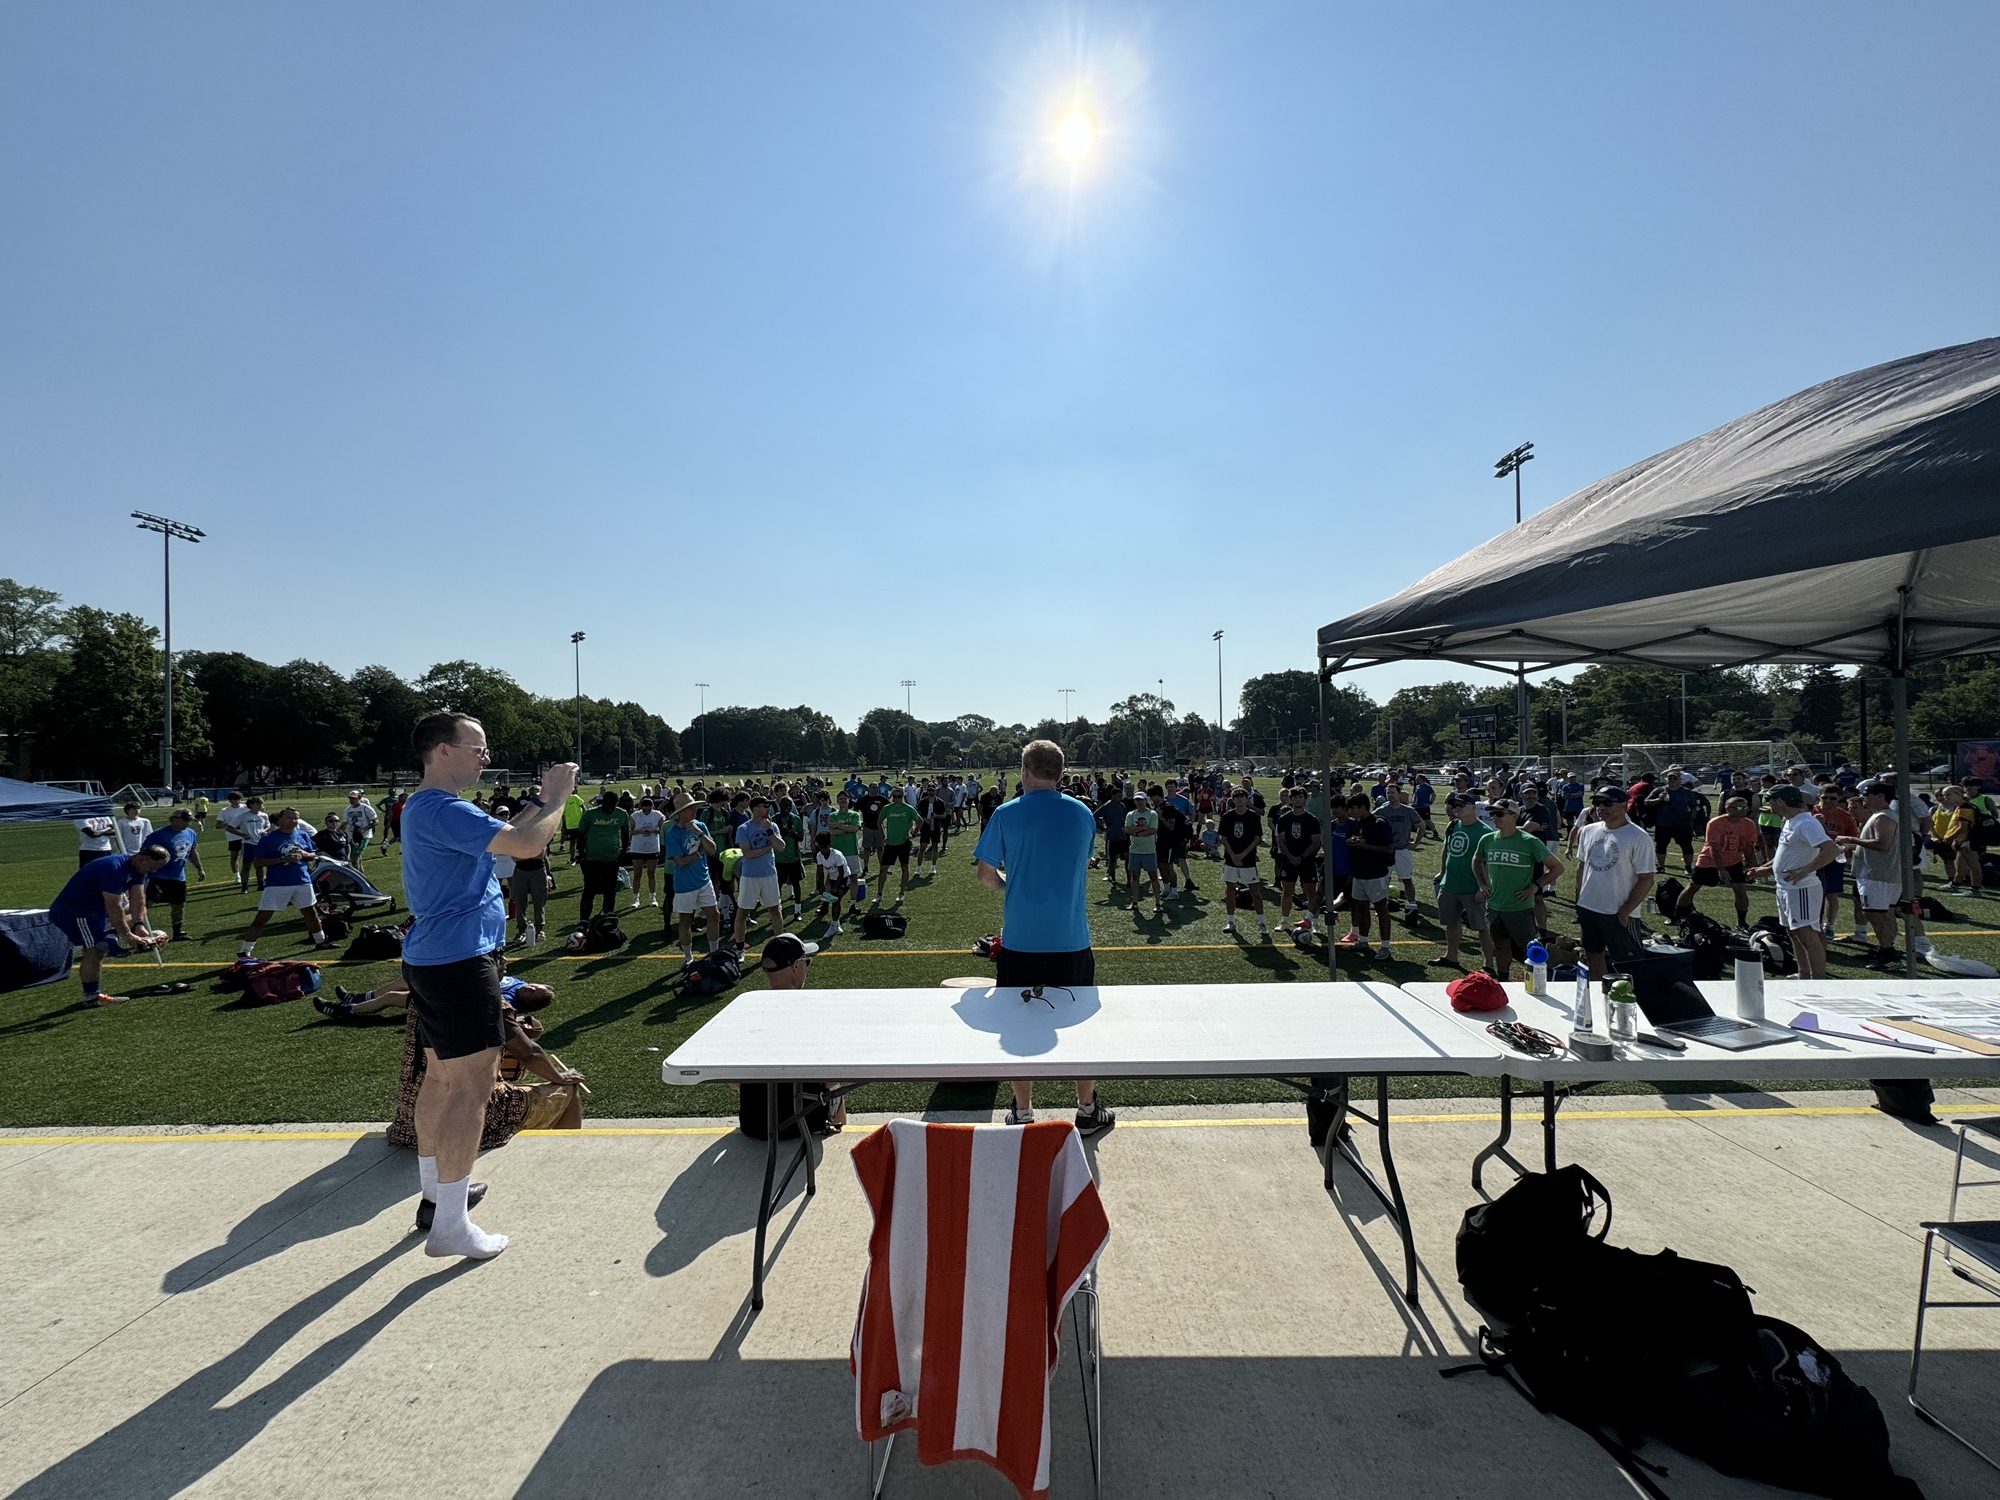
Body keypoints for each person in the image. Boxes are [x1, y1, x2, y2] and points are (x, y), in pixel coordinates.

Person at [400, 709, 579, 1259]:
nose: (485, 758)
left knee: (440, 1079)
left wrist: (532, 807)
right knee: (472, 1088)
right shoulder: (443, 808)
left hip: (435, 959)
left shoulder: (430, 807)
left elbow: (504, 837)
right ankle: (450, 1225)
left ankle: (438, 1196)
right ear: (443, 750)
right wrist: (556, 800)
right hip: (460, 962)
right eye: (477, 748)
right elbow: (526, 845)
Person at [974, 739, 1113, 1135]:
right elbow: (1081, 862)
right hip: (1071, 940)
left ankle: (1022, 1112)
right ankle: (1086, 1110)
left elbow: (986, 875)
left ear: (1024, 770)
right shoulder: (1083, 813)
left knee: (1017, 1026)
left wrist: (1011, 885)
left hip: (1020, 942)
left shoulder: (1005, 813)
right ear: (1061, 773)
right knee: (1079, 1026)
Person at [49, 843, 171, 1005]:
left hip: (95, 910)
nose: (154, 871)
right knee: (95, 950)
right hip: (76, 911)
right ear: (142, 859)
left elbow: (138, 898)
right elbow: (113, 907)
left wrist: (138, 924)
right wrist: (128, 936)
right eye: (154, 867)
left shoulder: (139, 869)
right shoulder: (113, 868)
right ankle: (92, 998)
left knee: (126, 920)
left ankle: (110, 936)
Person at [1748, 784, 1838, 979]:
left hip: (1802, 888)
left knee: (1806, 932)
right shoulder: (1789, 821)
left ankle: (1818, 978)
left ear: (1780, 801)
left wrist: (1804, 871)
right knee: (1793, 932)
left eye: (1769, 799)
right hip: (1785, 887)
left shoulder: (1806, 822)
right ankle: (1804, 973)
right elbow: (1785, 851)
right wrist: (1767, 868)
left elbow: (1831, 850)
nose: (1767, 804)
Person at [1474, 801, 1564, 982]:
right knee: (1500, 946)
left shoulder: (1529, 841)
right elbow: (1477, 860)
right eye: (1493, 814)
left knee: (1529, 949)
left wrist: (1535, 886)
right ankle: (1503, 980)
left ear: (1514, 816)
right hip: (1495, 905)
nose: (1494, 818)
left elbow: (1557, 868)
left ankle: (1538, 981)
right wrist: (1482, 884)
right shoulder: (1488, 839)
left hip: (1520, 907)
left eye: (1500, 814)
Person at [1572, 787, 1655, 978]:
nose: (1601, 807)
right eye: (1597, 803)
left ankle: (1635, 1001)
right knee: (1593, 954)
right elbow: (1582, 867)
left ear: (1624, 805)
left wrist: (1625, 911)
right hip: (1589, 907)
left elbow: (1646, 879)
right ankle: (1600, 992)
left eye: (1607, 803)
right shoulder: (1588, 831)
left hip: (1617, 911)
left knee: (1630, 962)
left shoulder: (1638, 836)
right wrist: (1580, 900)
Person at [238, 807, 335, 957]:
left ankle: (320, 941)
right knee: (263, 916)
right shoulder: (269, 839)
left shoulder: (302, 835)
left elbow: (313, 855)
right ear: (281, 820)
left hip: (302, 881)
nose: (294, 821)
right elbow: (257, 863)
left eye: (296, 818)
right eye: (290, 818)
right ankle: (245, 951)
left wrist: (304, 854)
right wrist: (283, 859)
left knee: (310, 912)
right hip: (278, 883)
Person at [1431, 793, 1493, 970]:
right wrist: (1442, 871)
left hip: (1472, 887)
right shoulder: (1452, 825)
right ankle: (1451, 957)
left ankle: (1488, 965)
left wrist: (1483, 887)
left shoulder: (1484, 832)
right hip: (1450, 884)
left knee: (1482, 928)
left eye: (1461, 805)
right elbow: (1447, 850)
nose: (1456, 808)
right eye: (1454, 805)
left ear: (1473, 808)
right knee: (1451, 923)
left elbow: (1487, 863)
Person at [1681, 796, 1758, 926]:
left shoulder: (1748, 824)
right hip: (1709, 861)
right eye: (1740, 807)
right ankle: (1679, 915)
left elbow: (1748, 847)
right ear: (1729, 809)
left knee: (1740, 891)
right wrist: (1721, 869)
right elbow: (1714, 848)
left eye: (1746, 807)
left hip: (1734, 861)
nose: (1744, 810)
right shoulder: (1716, 823)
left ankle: (1742, 923)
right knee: (1693, 887)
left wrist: (1752, 867)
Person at [665, 799, 723, 960]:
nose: (694, 811)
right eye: (690, 809)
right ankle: (688, 958)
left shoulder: (700, 826)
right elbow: (680, 862)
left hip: (704, 880)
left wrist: (700, 833)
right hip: (685, 885)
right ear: (680, 812)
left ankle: (714, 952)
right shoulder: (673, 833)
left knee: (714, 915)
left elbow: (712, 849)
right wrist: (698, 853)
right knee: (685, 921)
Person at [138, 808, 206, 942]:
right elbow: (144, 853)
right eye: (186, 821)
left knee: (179, 904)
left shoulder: (191, 833)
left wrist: (200, 868)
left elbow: (192, 852)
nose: (188, 824)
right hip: (158, 876)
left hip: (178, 877)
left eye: (190, 821)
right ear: (175, 819)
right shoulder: (158, 835)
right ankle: (137, 928)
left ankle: (178, 932)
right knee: (147, 903)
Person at [1344, 793, 1397, 961]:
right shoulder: (1357, 823)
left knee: (1381, 909)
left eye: (1353, 808)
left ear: (1362, 807)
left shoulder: (1379, 823)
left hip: (1375, 873)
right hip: (1359, 872)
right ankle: (1363, 940)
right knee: (1361, 907)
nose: (1350, 811)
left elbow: (1389, 849)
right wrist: (1350, 842)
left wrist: (1365, 845)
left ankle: (1385, 946)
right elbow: (1351, 840)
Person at [731, 796, 789, 945]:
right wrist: (769, 847)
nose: (768, 809)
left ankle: (780, 944)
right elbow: (748, 854)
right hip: (750, 876)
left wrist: (769, 830)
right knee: (743, 912)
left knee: (775, 910)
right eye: (765, 806)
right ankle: (740, 947)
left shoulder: (772, 827)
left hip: (769, 874)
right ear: (756, 809)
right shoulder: (744, 828)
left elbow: (782, 847)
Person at [1217, 787, 1267, 939]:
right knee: (1230, 889)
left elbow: (1257, 838)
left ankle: (1262, 922)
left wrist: (1243, 854)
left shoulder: (1252, 817)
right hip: (1231, 859)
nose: (1239, 799)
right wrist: (1233, 855)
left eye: (1242, 797)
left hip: (1248, 859)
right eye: (1236, 797)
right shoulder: (1227, 816)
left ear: (1246, 799)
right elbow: (1224, 838)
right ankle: (1230, 921)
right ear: (1232, 799)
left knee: (1255, 891)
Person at [1271, 787, 1321, 936]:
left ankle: (1314, 922)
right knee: (1287, 891)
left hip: (1307, 861)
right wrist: (1291, 856)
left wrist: (1302, 856)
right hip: (1289, 860)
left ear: (1305, 799)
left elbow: (1316, 842)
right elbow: (1281, 840)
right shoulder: (1284, 819)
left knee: (1311, 892)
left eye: (1300, 796)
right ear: (1291, 799)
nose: (1297, 799)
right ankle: (1284, 921)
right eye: (1294, 797)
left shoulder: (1312, 819)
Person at [574, 790, 630, 924]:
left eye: (612, 806)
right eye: (607, 806)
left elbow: (626, 833)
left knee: (610, 890)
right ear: (602, 802)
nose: (609, 809)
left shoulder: (622, 814)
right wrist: (581, 855)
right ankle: (584, 921)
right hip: (592, 859)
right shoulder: (590, 814)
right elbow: (580, 834)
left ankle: (607, 917)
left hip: (612, 858)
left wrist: (623, 852)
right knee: (589, 891)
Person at [1379, 786, 1422, 917]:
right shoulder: (1382, 810)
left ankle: (1412, 904)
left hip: (1403, 850)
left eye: (1393, 793)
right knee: (1383, 880)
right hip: (1386, 852)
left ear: (1399, 795)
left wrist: (1416, 843)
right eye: (1388, 793)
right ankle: (1383, 905)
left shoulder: (1408, 810)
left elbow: (1421, 825)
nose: (1390, 795)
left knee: (1407, 880)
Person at [1646, 773, 1701, 874]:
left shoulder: (1686, 792)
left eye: (1675, 778)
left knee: (1687, 847)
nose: (1672, 780)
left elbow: (1693, 806)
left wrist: (1692, 819)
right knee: (1661, 846)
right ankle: (1661, 867)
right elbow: (1647, 802)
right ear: (1666, 780)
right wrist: (1659, 799)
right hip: (1663, 824)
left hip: (1682, 824)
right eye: (1670, 778)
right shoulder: (1659, 790)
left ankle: (1688, 867)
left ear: (1680, 780)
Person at [877, 787, 919, 906]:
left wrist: (913, 833)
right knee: (883, 869)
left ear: (902, 797)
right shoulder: (887, 809)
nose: (896, 799)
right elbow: (879, 821)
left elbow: (919, 821)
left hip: (904, 843)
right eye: (894, 796)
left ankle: (901, 893)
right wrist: (883, 835)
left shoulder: (908, 809)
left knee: (904, 867)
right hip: (890, 843)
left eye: (899, 796)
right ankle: (879, 894)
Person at [1124, 791, 1164, 915]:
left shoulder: (1152, 814)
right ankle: (1135, 902)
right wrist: (1141, 830)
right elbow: (1127, 829)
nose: (1139, 802)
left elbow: (1152, 830)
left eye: (1141, 800)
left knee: (1153, 877)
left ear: (1145, 800)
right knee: (1135, 877)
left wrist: (1135, 832)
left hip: (1149, 850)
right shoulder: (1131, 814)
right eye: (1137, 800)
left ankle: (1158, 903)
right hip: (1135, 850)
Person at [627, 796, 665, 909]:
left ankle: (653, 897)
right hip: (638, 848)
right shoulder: (635, 815)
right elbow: (630, 831)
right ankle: (635, 898)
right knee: (637, 874)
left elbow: (662, 830)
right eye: (644, 809)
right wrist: (639, 831)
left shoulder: (658, 815)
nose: (646, 811)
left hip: (652, 848)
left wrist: (653, 831)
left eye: (649, 809)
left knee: (651, 873)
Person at [813, 832, 853, 937]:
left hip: (844, 878)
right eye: (821, 848)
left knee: (837, 898)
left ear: (829, 846)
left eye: (824, 848)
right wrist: (821, 886)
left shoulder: (837, 855)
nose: (823, 850)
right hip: (832, 879)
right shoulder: (819, 856)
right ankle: (836, 924)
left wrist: (836, 887)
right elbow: (820, 872)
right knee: (833, 898)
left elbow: (841, 873)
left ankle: (833, 926)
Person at [1096, 784, 1131, 887]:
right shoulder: (1106, 807)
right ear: (1113, 796)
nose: (1120, 798)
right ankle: (1113, 878)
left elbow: (1125, 817)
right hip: (1113, 837)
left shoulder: (1121, 806)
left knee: (1127, 858)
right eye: (1118, 796)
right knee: (1112, 860)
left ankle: (1129, 880)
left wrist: (1126, 827)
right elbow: (1095, 816)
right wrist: (1103, 828)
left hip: (1123, 836)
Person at [344, 790, 379, 861]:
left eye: (354, 798)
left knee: (354, 858)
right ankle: (360, 872)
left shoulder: (366, 808)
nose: (351, 800)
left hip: (363, 836)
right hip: (352, 835)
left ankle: (355, 872)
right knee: (356, 858)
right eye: (350, 798)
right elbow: (344, 823)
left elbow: (376, 821)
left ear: (359, 798)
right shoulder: (348, 809)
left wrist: (364, 829)